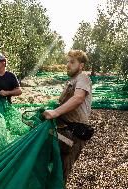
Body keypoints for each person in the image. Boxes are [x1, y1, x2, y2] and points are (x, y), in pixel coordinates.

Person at [43, 49, 94, 182]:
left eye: (72, 62)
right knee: (56, 163)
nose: (68, 65)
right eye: (68, 61)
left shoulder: (83, 78)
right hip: (63, 130)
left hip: (73, 135)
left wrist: (55, 112)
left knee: (62, 169)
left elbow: (78, 98)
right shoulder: (71, 81)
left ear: (81, 65)